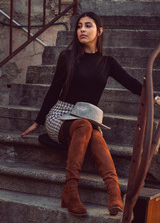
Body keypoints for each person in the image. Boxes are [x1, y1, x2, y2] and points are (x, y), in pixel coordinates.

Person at [21, 12, 160, 216]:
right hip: (60, 116)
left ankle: (112, 191)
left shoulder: (107, 63)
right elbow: (54, 89)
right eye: (79, 26)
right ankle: (76, 189)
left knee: (90, 130)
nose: (82, 30)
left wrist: (154, 97)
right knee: (86, 126)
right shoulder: (67, 57)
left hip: (85, 118)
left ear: (100, 31)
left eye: (88, 26)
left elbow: (131, 83)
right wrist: (38, 120)